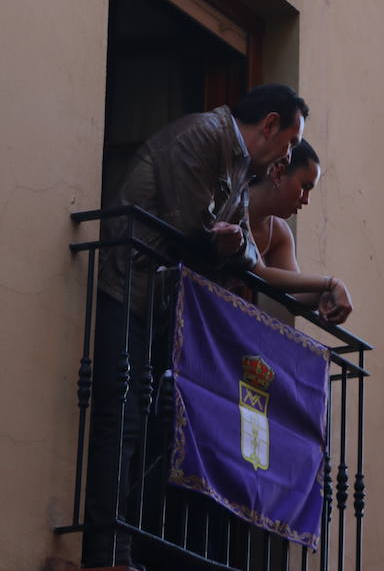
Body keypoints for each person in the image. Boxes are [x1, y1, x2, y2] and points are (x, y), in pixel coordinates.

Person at [84, 84, 308, 569]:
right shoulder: (203, 137)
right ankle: (105, 550)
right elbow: (192, 227)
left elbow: (243, 249)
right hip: (127, 287)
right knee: (119, 417)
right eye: (290, 143)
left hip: (155, 300)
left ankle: (119, 547)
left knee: (136, 420)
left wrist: (226, 244)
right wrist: (220, 242)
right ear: (268, 124)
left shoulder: (234, 163)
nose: (286, 156)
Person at [246, 138, 353, 323]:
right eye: (305, 187)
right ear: (278, 173)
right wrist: (331, 283)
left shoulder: (278, 232)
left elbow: (294, 295)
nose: (306, 200)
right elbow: (258, 272)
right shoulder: (238, 204)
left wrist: (325, 295)